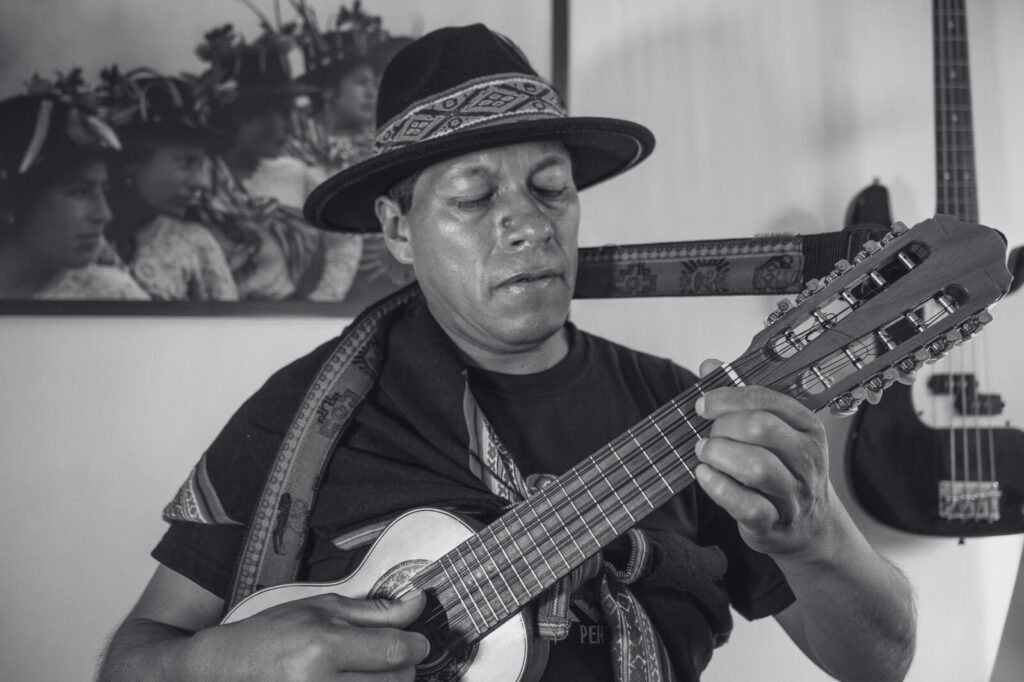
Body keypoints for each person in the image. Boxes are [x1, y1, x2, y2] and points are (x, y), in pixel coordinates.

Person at [98, 24, 916, 682]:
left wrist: (818, 538)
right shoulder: (302, 414)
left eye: (551, 188)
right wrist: (220, 661)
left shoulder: (695, 416)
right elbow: (135, 659)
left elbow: (879, 662)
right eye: (474, 197)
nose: (528, 222)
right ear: (397, 229)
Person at [196, 25, 362, 301]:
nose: (289, 126)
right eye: (280, 114)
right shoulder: (200, 179)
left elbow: (345, 235)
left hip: (285, 319)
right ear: (241, 116)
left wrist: (324, 298)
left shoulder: (296, 174)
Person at [101, 68, 238, 301]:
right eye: (186, 162)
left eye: (201, 164)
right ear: (129, 162)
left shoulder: (196, 245)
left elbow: (228, 332)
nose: (201, 182)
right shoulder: (76, 243)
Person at [0, 90, 148, 300]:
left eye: (104, 190)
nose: (104, 214)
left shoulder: (112, 297)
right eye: (79, 192)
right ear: (9, 202)